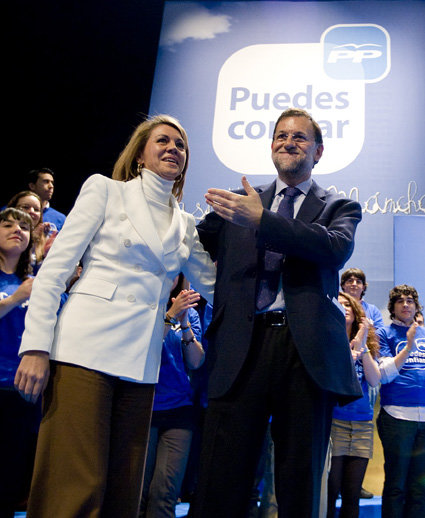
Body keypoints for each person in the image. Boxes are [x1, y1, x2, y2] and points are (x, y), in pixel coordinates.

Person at [14, 114, 216, 518]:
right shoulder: (105, 190)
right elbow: (54, 272)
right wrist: (35, 346)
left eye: (181, 145)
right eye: (163, 141)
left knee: (122, 493)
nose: (173, 148)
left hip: (140, 365)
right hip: (82, 351)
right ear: (140, 153)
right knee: (74, 487)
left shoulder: (185, 224)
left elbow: (216, 285)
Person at [192, 108, 363, 518]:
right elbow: (187, 249)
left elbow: (334, 248)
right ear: (271, 146)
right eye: (280, 136)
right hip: (240, 348)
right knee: (221, 479)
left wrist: (263, 220)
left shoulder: (340, 206)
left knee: (298, 482)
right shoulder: (236, 206)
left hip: (305, 356)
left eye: (300, 137)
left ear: (318, 152)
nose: (288, 142)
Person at [140, 274, 204, 518]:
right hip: (145, 405)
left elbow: (196, 362)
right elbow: (144, 348)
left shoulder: (190, 313)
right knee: (138, 492)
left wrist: (185, 321)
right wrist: (169, 316)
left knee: (165, 494)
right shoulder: (143, 306)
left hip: (180, 409)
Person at [327, 292, 381, 518]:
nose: (345, 307)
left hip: (362, 423)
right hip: (334, 421)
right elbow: (334, 377)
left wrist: (363, 341)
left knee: (352, 493)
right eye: (340, 305)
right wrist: (351, 352)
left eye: (349, 304)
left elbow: (374, 379)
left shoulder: (366, 341)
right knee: (331, 489)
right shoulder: (328, 339)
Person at [0, 208, 37, 516]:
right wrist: (14, 299)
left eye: (24, 226)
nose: (17, 229)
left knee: (12, 475)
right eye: (8, 224)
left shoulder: (33, 281)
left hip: (21, 389)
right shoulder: (20, 287)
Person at [376, 284, 425, 518]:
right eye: (400, 301)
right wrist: (408, 346)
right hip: (397, 417)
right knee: (396, 484)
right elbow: (384, 374)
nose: (406, 304)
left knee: (419, 488)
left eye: (410, 301)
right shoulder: (384, 333)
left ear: (416, 307)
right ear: (393, 307)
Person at [340, 267, 383, 499]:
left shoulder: (372, 311)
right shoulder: (335, 306)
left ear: (364, 287)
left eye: (359, 281)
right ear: (343, 285)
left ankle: (357, 484)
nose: (354, 284)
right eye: (349, 280)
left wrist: (362, 336)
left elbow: (377, 336)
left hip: (365, 369)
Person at [7, 190, 56, 274]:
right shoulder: (4, 234)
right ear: (13, 209)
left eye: (37, 209)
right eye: (25, 207)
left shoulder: (46, 238)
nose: (32, 211)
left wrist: (49, 256)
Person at [27, 167, 66, 233]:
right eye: (46, 181)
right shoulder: (12, 211)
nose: (51, 186)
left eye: (52, 183)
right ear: (32, 186)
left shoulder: (61, 219)